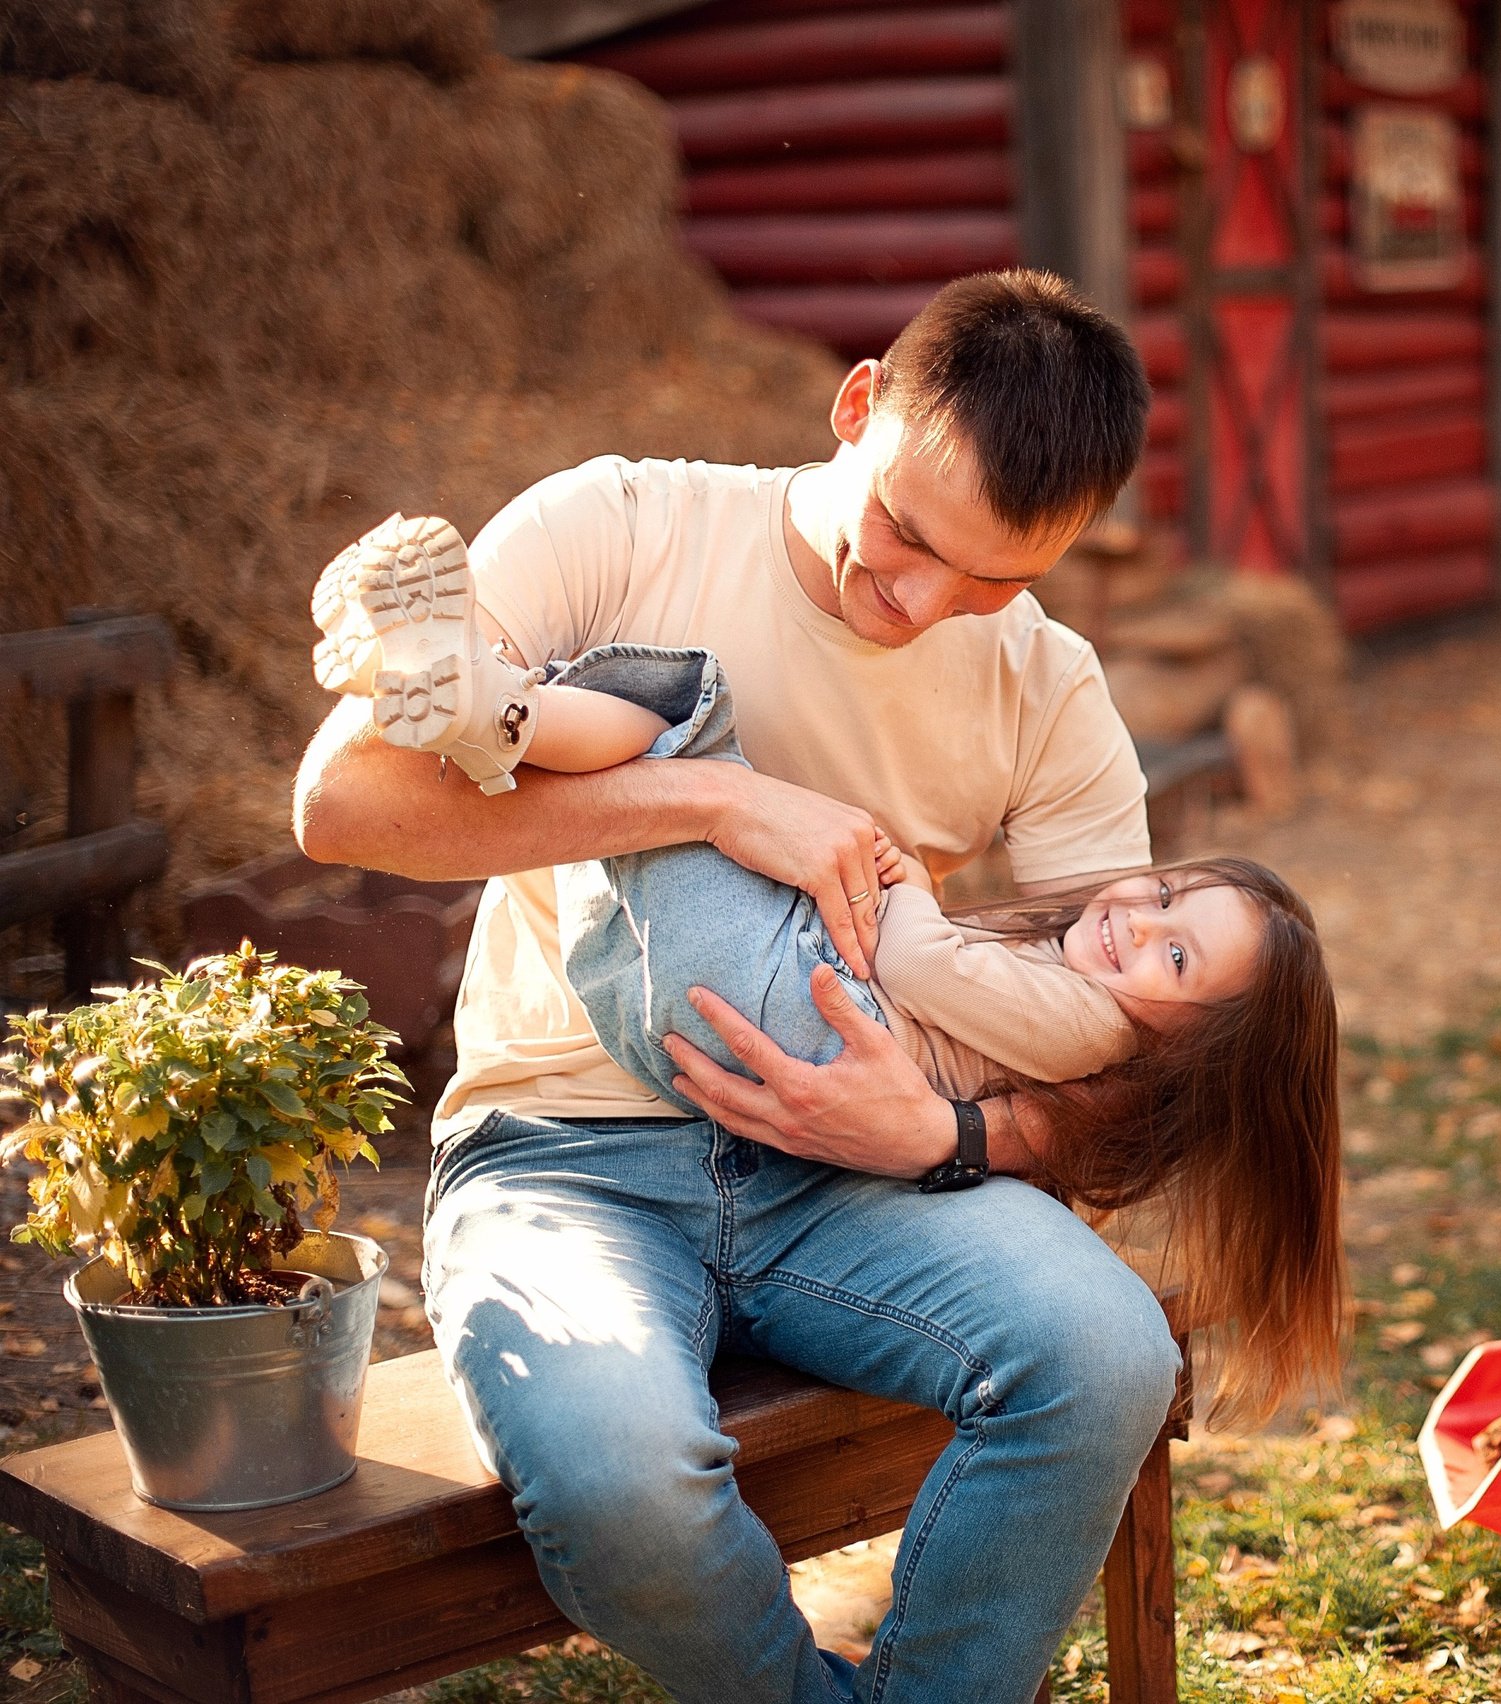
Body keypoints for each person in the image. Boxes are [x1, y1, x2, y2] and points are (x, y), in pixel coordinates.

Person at [291, 272, 1247, 1704]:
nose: (922, 603)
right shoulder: (619, 527)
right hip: (567, 1157)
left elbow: (1134, 1071)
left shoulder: (1048, 687)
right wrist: (712, 805)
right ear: (856, 405)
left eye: (994, 578)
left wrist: (950, 1142)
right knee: (625, 1487)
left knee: (1108, 1357)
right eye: (908, 535)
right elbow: (343, 806)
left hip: (858, 1182)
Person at [308, 551, 1343, 1410]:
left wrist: (890, 869)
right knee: (653, 785)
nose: (1132, 918)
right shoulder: (1079, 1011)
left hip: (775, 1009)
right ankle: (488, 712)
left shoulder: (1082, 1024)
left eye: (1174, 955)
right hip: (680, 1015)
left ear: (1189, 1040)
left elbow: (912, 957)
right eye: (1162, 894)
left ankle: (501, 710)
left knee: (686, 710)